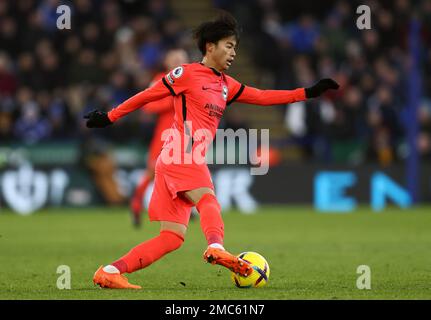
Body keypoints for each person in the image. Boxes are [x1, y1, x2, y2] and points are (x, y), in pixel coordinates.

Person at [85, 12, 339, 289]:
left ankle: (110, 271)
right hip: (181, 154)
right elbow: (148, 95)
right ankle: (216, 247)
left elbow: (264, 96)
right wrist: (110, 116)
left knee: (172, 238)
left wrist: (308, 92)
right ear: (210, 46)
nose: (233, 53)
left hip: (176, 159)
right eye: (228, 46)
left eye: (235, 48)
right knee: (207, 198)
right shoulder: (187, 73)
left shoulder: (227, 85)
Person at [130, 48, 189, 227]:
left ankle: (185, 210)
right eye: (175, 59)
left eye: (182, 59)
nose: (179, 62)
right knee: (151, 172)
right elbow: (147, 105)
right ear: (167, 63)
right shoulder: (161, 80)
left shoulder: (192, 79)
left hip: (186, 135)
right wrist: (172, 99)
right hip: (165, 134)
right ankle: (136, 204)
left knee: (186, 173)